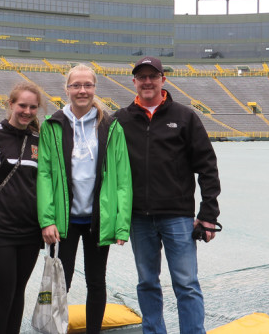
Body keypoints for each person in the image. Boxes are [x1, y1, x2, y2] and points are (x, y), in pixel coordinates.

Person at [114, 56, 222, 334]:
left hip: (177, 216)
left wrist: (208, 215)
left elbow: (207, 167)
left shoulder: (185, 117)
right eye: (142, 76)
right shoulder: (120, 120)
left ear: (164, 79)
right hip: (138, 218)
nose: (147, 81)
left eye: (153, 76)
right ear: (134, 81)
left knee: (186, 283)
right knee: (147, 282)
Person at [37, 64, 133, 334]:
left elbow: (123, 178)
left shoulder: (111, 127)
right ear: (67, 89)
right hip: (64, 220)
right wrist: (47, 219)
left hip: (97, 218)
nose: (82, 90)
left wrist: (121, 223)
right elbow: (44, 175)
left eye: (87, 85)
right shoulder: (52, 125)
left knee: (96, 281)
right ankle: (55, 328)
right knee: (61, 282)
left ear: (94, 88)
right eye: (76, 85)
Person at [0, 82, 44, 334]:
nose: (26, 111)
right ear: (10, 104)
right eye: (22, 105)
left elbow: (41, 184)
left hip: (29, 231)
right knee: (4, 292)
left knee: (18, 292)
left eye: (33, 107)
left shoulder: (39, 139)